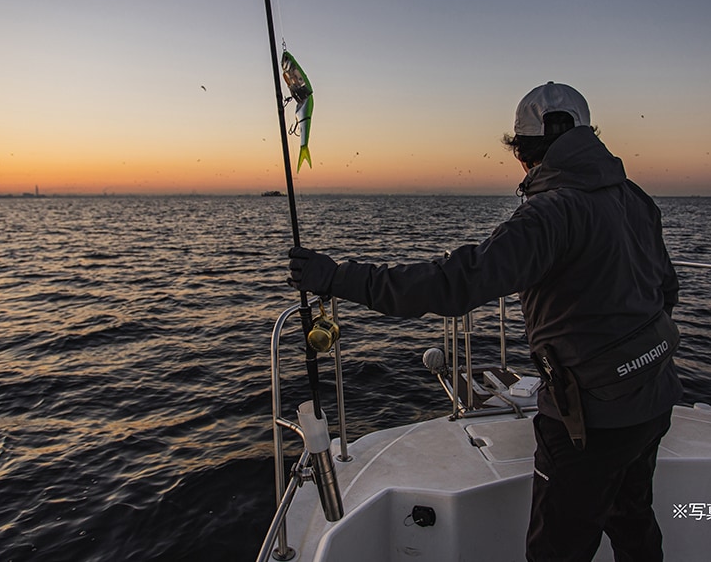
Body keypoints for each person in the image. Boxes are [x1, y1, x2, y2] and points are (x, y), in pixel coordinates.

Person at [287, 82, 682, 562]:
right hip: (655, 393)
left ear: (526, 151)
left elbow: (454, 283)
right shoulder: (634, 198)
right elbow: (667, 291)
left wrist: (339, 278)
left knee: (556, 550)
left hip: (589, 421)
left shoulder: (549, 214)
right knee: (633, 520)